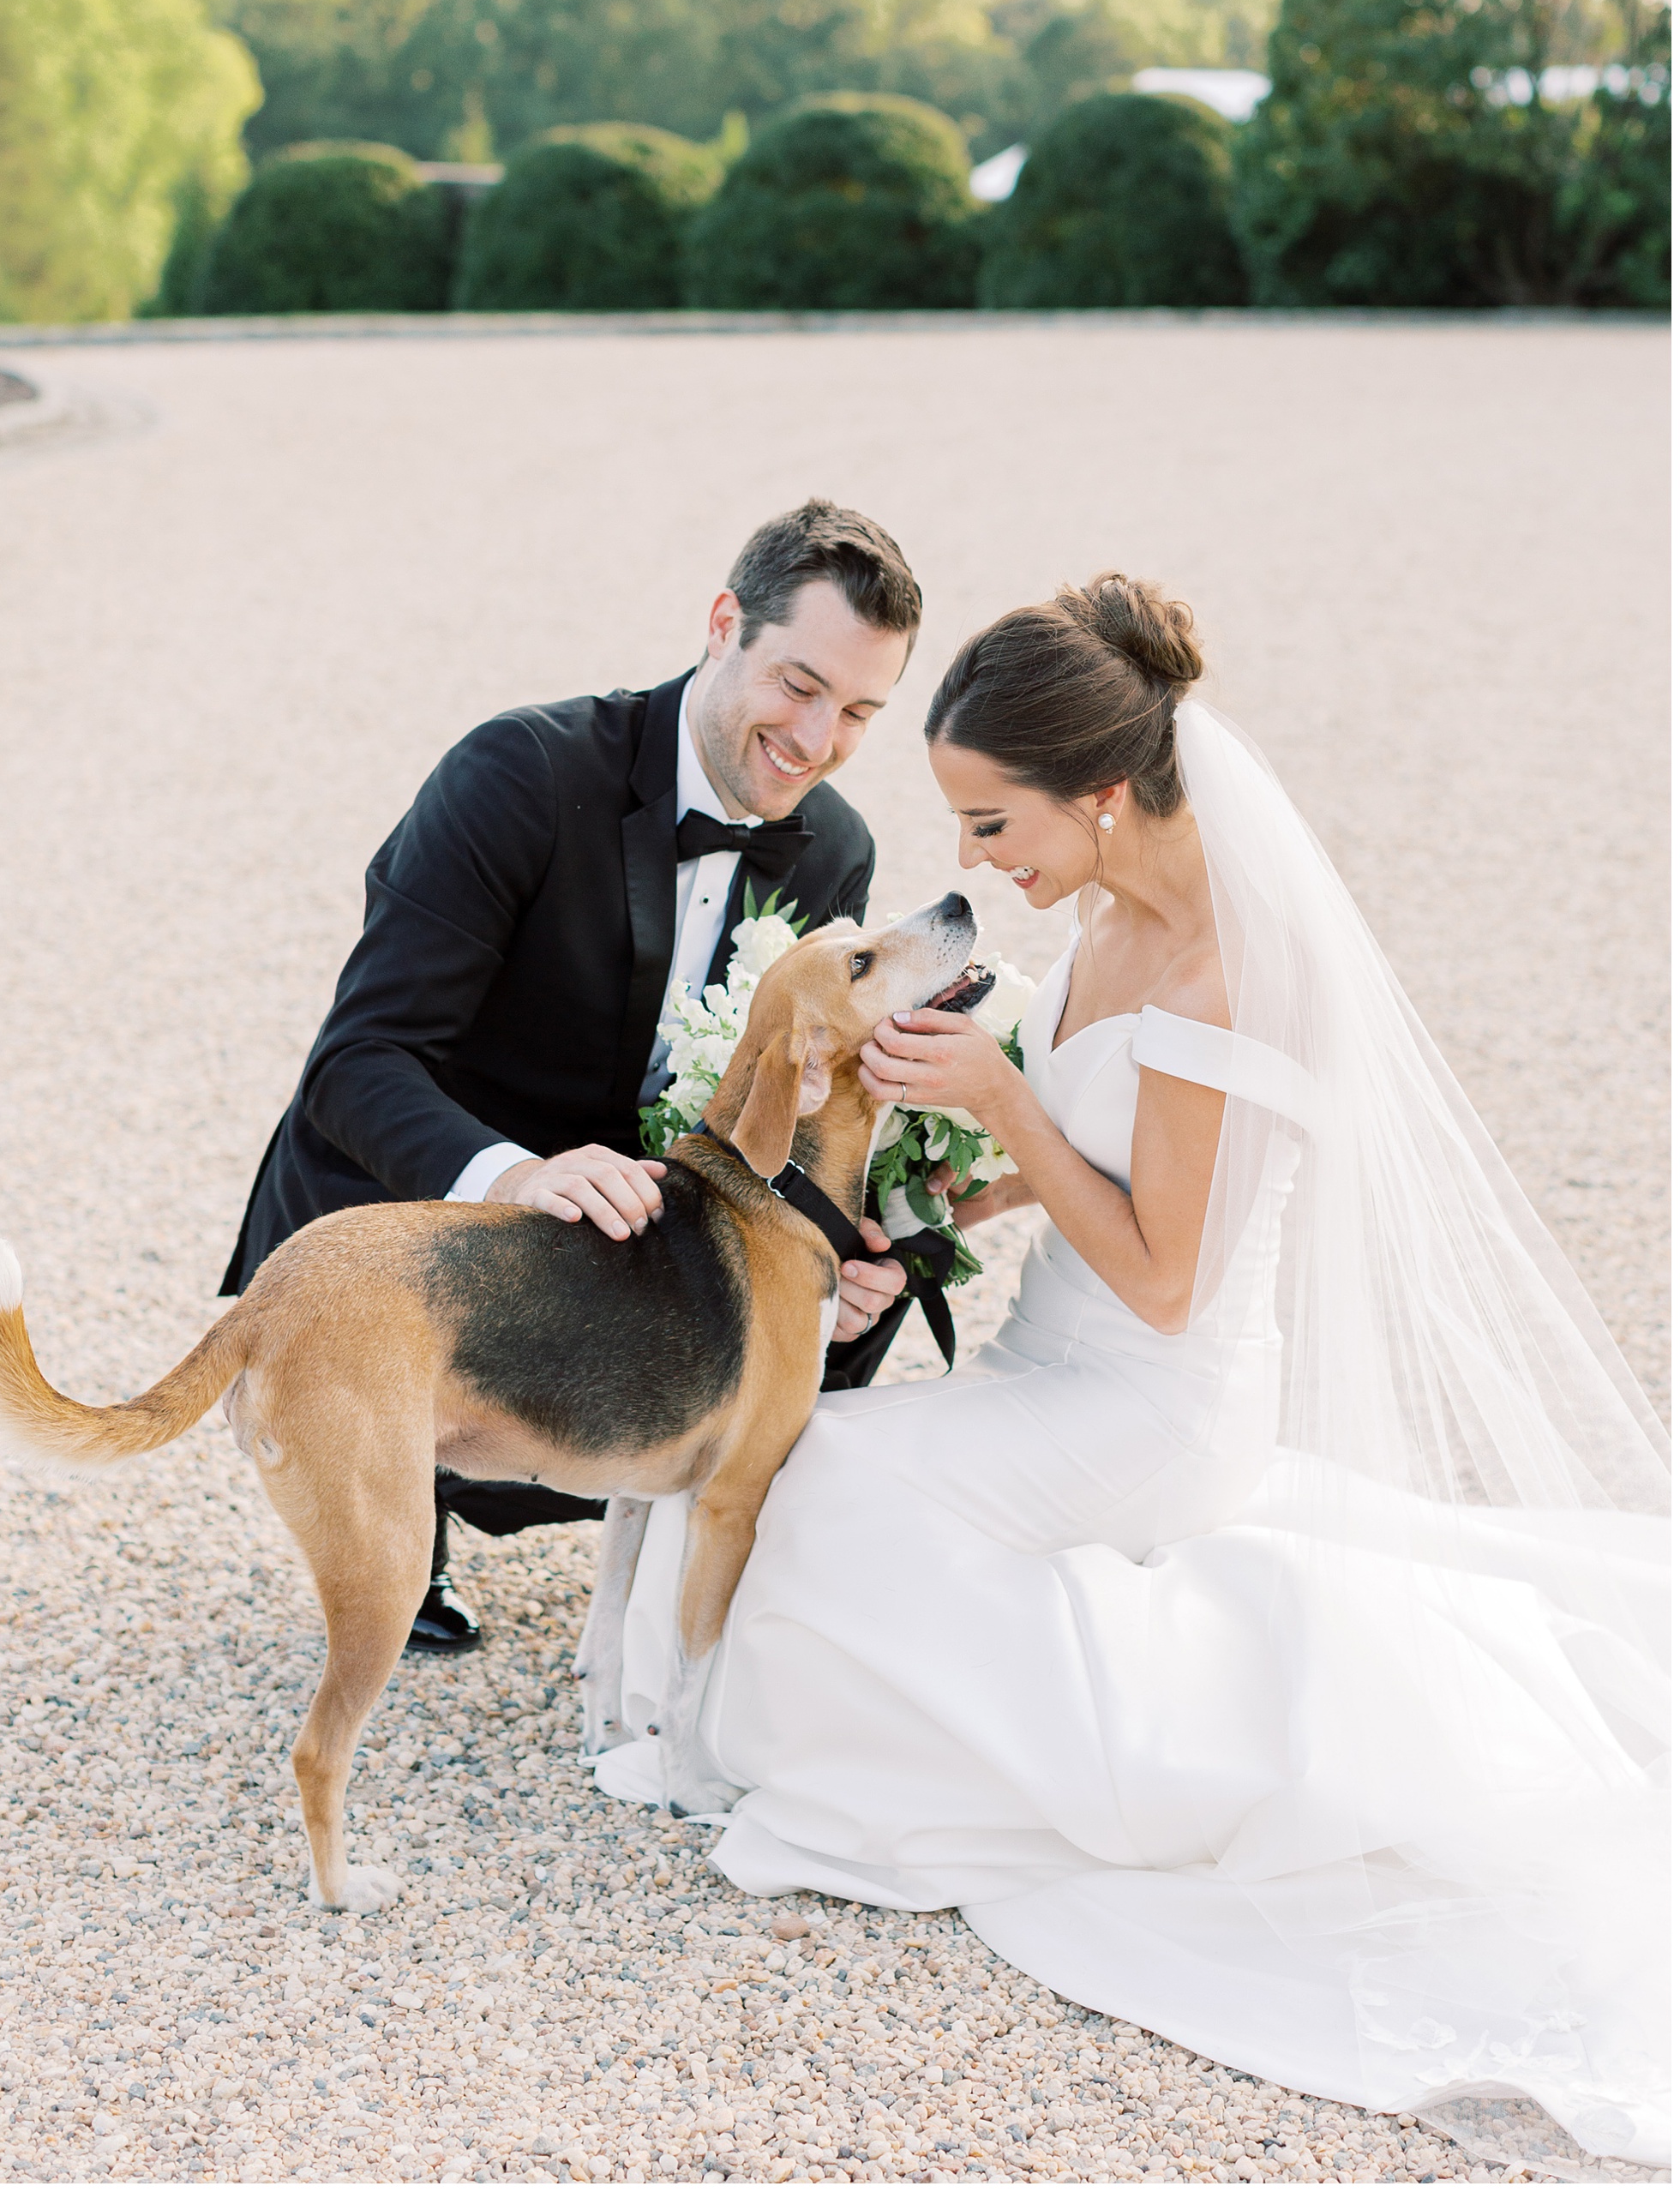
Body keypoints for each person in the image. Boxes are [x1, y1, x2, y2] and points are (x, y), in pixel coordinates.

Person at [595, 574, 1671, 2170]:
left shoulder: (1232, 971)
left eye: (993, 822)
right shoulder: (1107, 915)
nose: (977, 862)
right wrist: (940, 1205)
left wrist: (999, 1102)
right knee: (793, 1459)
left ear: (1100, 791)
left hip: (1161, 1400)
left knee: (829, 1494)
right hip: (1059, 1359)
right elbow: (1095, 1159)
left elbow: (1171, 1279)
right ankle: (834, 1717)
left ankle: (1089, 1767)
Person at [221, 499, 920, 1655]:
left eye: (857, 713)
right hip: (431, 1214)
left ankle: (707, 1565)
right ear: (723, 625)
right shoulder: (521, 773)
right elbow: (357, 1063)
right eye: (799, 686)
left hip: (636, 1229)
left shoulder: (836, 848)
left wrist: (825, 1265)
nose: (816, 739)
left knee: (857, 1283)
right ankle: (394, 1498)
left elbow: (782, 1107)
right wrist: (512, 1177)